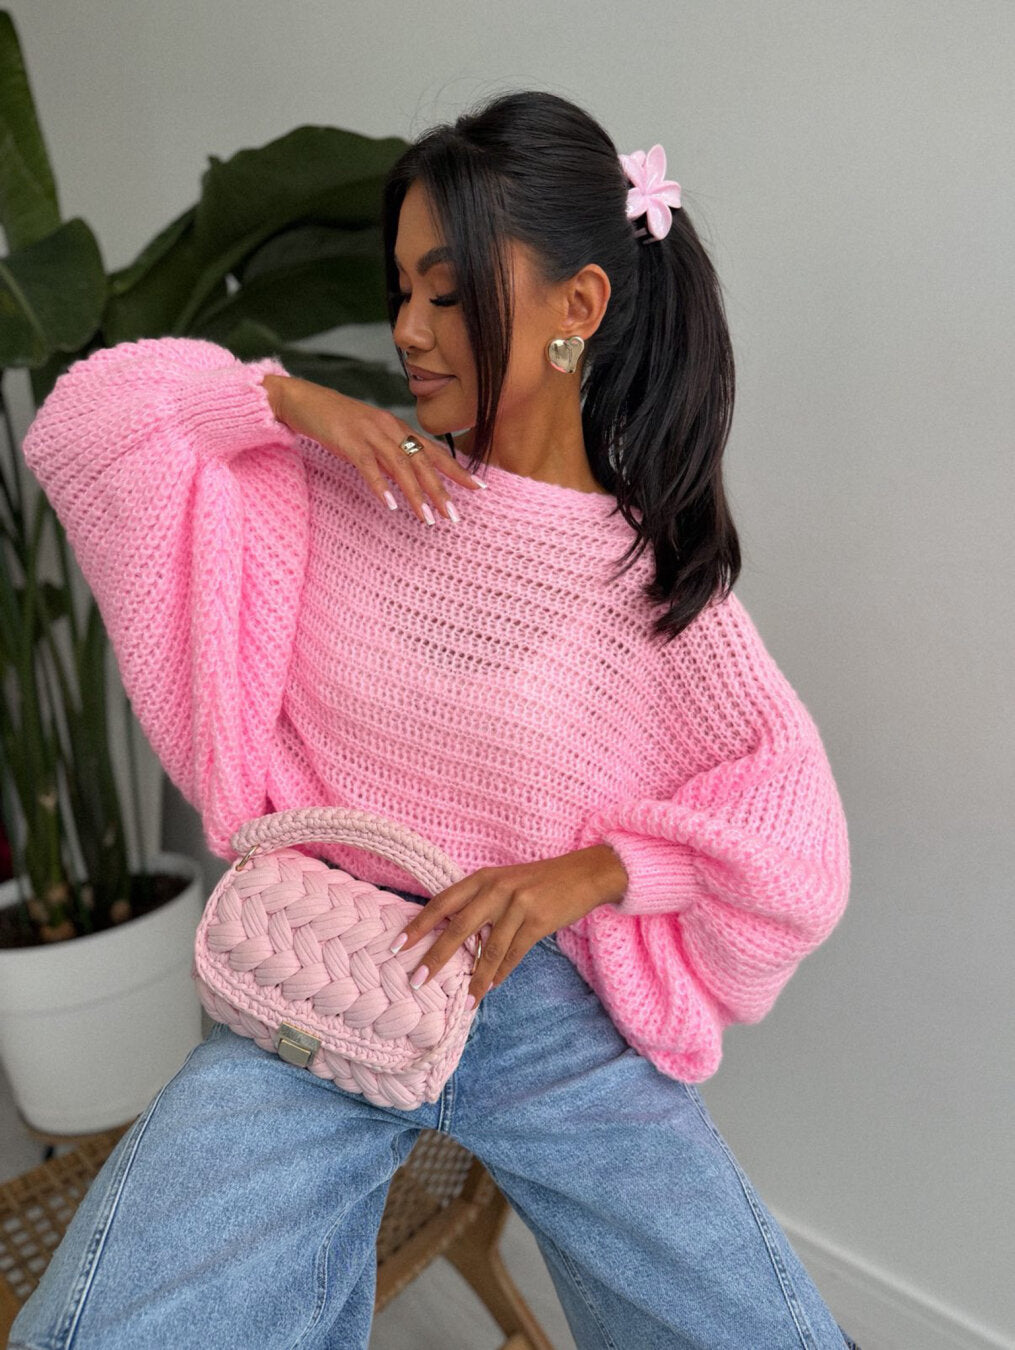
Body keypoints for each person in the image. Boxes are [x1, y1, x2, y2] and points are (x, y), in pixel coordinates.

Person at [10, 90, 860, 1349]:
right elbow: (86, 424)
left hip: (542, 1014)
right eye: (401, 287)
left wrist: (594, 872)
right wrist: (285, 403)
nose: (408, 328)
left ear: (579, 306)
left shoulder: (655, 587)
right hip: (317, 980)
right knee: (103, 1328)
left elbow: (793, 831)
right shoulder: (351, 485)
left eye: (449, 293)